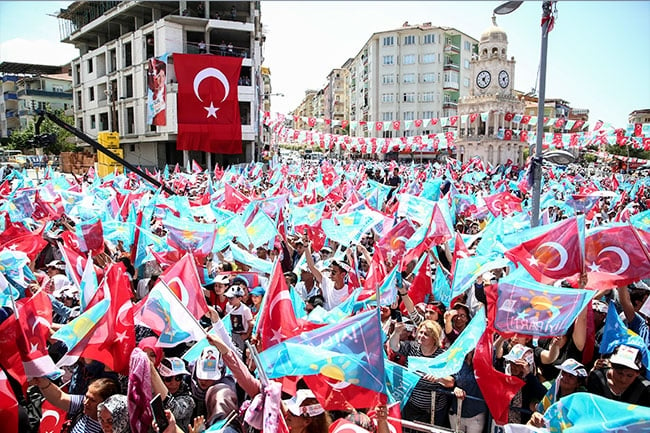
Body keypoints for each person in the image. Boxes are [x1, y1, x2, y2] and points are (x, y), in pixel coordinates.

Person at [388, 319, 453, 427]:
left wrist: (438, 378)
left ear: (434, 338)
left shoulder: (442, 356)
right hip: (412, 406)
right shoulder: (412, 347)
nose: (421, 336)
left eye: (426, 334)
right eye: (421, 332)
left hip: (434, 410)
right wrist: (397, 333)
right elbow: (394, 347)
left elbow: (450, 382)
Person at [32, 376, 120, 433]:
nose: (86, 402)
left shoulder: (111, 428)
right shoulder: (82, 405)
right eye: (86, 397)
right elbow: (59, 397)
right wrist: (42, 382)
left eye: (92, 400)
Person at [528, 358, 588, 427]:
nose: (565, 377)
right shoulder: (549, 388)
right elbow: (536, 407)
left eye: (571, 376)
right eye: (564, 373)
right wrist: (536, 413)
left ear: (578, 383)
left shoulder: (582, 400)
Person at [151, 358, 195, 433]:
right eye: (169, 378)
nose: (174, 383)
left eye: (178, 378)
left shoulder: (189, 400)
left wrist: (152, 372)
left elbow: (174, 409)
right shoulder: (151, 395)